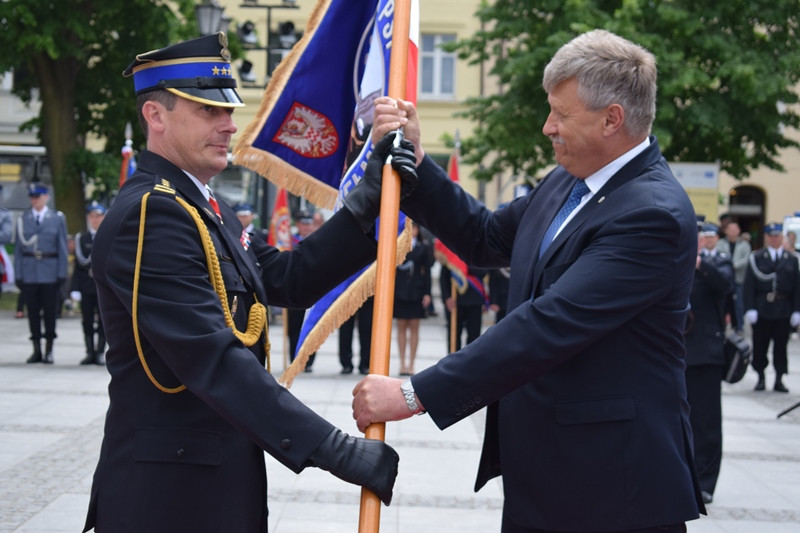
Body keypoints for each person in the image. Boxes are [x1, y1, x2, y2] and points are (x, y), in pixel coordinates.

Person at [354, 29, 705, 532]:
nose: (548, 127)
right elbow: (483, 236)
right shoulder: (569, 180)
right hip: (547, 476)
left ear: (613, 119)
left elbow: (548, 324)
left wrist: (413, 394)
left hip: (613, 489)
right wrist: (417, 159)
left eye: (561, 115)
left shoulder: (653, 214)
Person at [82, 33, 416, 532]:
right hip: (169, 499)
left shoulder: (203, 209)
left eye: (228, 111)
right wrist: (334, 449)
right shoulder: (152, 215)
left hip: (212, 482)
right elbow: (213, 359)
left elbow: (288, 278)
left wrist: (363, 206)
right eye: (207, 111)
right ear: (156, 116)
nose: (229, 125)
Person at [685, 221, 734, 505]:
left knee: (706, 423)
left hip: (705, 353)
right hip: (675, 352)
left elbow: (725, 285)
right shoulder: (675, 259)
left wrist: (699, 262)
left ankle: (705, 482)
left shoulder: (718, 263)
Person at [14, 183, 68, 364]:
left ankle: (49, 349)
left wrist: (62, 273)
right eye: (32, 197)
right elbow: (18, 250)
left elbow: (62, 248)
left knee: (50, 312)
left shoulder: (57, 218)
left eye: (37, 197)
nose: (34, 200)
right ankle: (36, 349)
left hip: (50, 271)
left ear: (46, 197)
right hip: (30, 271)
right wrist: (18, 274)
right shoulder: (24, 219)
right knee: (33, 312)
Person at [743, 222, 800, 393]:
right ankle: (760, 376)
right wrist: (750, 308)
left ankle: (779, 378)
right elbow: (749, 285)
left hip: (783, 308)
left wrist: (797, 310)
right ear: (766, 238)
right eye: (771, 236)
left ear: (781, 237)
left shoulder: (791, 259)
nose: (774, 239)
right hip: (763, 308)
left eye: (777, 236)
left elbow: (797, 286)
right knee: (760, 344)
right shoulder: (757, 257)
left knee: (781, 346)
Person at [393, 221, 433, 375]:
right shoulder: (398, 245)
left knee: (414, 327)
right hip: (400, 291)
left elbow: (427, 271)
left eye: (414, 228)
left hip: (416, 291)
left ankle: (411, 363)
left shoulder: (423, 247)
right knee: (401, 327)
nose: (412, 231)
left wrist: (427, 293)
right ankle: (402, 363)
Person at [70, 201, 107, 365]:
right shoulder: (81, 238)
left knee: (104, 321)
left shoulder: (108, 235)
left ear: (103, 217)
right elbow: (79, 265)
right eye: (92, 216)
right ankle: (89, 352)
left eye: (98, 216)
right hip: (86, 285)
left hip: (103, 287)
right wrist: (74, 288)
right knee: (87, 320)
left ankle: (100, 352)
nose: (95, 219)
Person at [286, 209, 318, 371]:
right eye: (303, 223)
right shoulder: (289, 241)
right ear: (297, 224)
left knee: (312, 325)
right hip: (294, 288)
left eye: (308, 223)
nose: (306, 227)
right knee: (294, 326)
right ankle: (294, 358)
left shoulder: (318, 240)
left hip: (314, 288)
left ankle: (309, 360)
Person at [439, 264, 488, 352]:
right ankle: (452, 363)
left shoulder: (479, 252)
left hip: (474, 300)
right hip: (454, 301)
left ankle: (471, 362)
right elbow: (444, 276)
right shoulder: (452, 254)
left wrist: (463, 266)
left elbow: (483, 271)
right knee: (454, 336)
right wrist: (446, 297)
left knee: (474, 336)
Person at [715, 221, 751, 333]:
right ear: (726, 231)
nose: (732, 232)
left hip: (738, 278)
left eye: (735, 229)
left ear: (739, 231)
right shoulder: (720, 243)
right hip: (724, 279)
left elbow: (747, 259)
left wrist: (735, 265)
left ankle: (739, 326)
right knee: (723, 303)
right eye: (730, 229)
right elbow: (717, 255)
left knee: (738, 304)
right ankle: (721, 326)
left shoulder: (744, 245)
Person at [339, 296, 373, 375]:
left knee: (367, 329)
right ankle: (346, 363)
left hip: (368, 293)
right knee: (345, 330)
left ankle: (365, 363)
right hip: (347, 293)